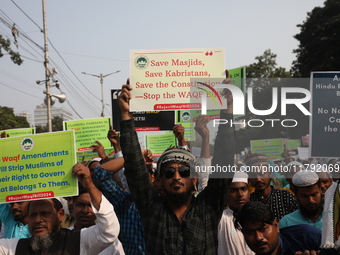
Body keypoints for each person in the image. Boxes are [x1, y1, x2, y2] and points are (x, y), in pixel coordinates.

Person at [118, 81, 233, 254]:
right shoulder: (151, 208)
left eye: (184, 171)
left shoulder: (208, 207)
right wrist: (126, 115)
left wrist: (227, 109)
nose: (177, 177)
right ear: (160, 180)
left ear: (194, 178)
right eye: (169, 172)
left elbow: (224, 160)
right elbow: (135, 167)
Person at [0, 162, 120, 255]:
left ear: (60, 215)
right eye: (33, 215)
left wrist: (89, 185)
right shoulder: (15, 247)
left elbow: (109, 230)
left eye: (45, 213)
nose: (38, 220)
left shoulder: (78, 240)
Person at [234, 201, 321, 255]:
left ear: (276, 226)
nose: (258, 237)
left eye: (263, 229)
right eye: (250, 232)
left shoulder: (306, 235)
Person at [70, 182, 125, 254]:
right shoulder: (64, 238)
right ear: (72, 207)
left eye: (91, 206)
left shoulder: (110, 241)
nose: (86, 211)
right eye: (81, 205)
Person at [247, 153, 299, 220]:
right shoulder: (248, 201)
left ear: (270, 173)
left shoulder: (287, 197)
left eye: (262, 173)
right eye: (253, 175)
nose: (258, 179)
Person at [218, 172, 254, 255]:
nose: (240, 194)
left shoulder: (258, 217)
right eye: (233, 190)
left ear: (249, 193)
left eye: (243, 189)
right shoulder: (221, 218)